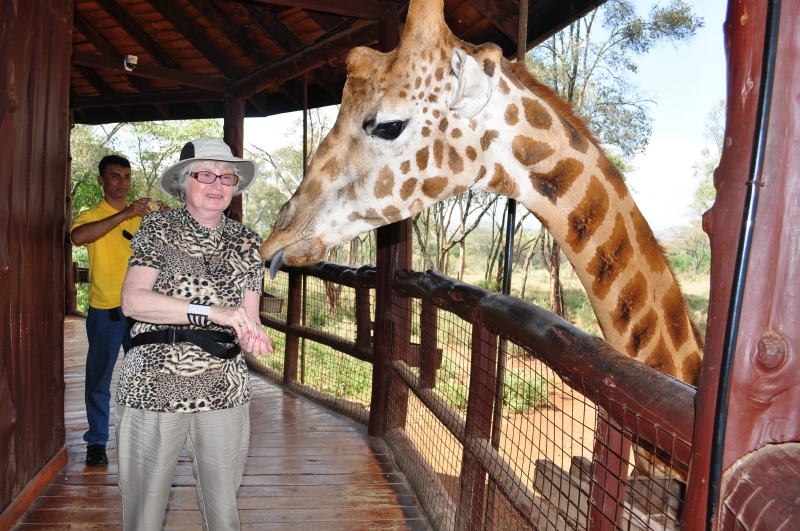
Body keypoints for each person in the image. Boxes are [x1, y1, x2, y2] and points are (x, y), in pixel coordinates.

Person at [117, 137, 273, 531]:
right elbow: (133, 301)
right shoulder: (158, 227)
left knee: (224, 514)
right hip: (153, 382)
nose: (217, 184)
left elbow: (249, 316)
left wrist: (252, 336)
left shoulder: (248, 241)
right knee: (143, 513)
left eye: (227, 177)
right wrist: (211, 312)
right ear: (184, 181)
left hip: (224, 387)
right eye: (206, 175)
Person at [71, 154, 164, 467]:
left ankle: (144, 440)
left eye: (126, 176)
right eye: (115, 176)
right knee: (99, 378)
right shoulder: (91, 215)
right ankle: (97, 441)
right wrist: (125, 214)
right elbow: (78, 237)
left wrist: (166, 216)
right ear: (101, 181)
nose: (122, 182)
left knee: (146, 376)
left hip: (141, 310)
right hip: (106, 311)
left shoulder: (143, 215)